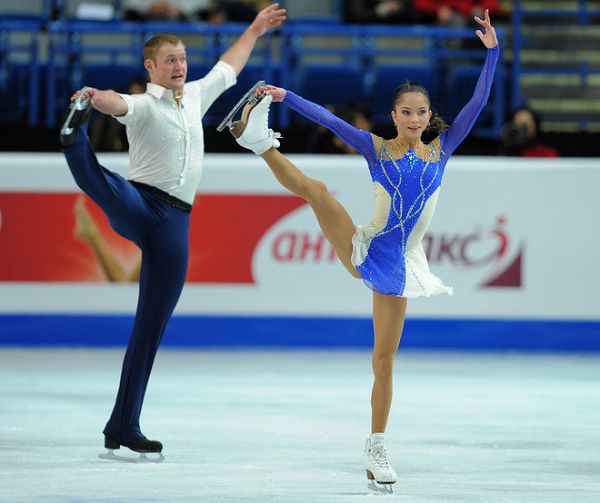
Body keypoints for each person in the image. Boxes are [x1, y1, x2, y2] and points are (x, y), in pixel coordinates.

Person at [227, 9, 498, 486]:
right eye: (406, 112)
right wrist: (286, 95)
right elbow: (329, 119)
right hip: (367, 246)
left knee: (384, 360)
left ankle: (376, 445)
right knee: (318, 190)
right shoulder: (376, 148)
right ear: (393, 117)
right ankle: (258, 142)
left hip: (400, 264)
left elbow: (477, 102)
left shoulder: (443, 148)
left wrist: (493, 52)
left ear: (428, 117)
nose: (414, 119)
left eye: (421, 112)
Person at [59, 3, 286, 456]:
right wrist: (91, 99)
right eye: (170, 60)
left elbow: (230, 66)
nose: (179, 66)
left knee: (150, 328)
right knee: (106, 184)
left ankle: (123, 425)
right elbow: (115, 101)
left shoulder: (198, 93)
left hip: (175, 223)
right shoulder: (143, 104)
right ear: (151, 67)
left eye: (182, 58)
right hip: (140, 203)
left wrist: (256, 29)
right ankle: (73, 139)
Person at [89, 76, 147, 152]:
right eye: (135, 87)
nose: (136, 90)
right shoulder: (123, 97)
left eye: (138, 88)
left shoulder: (147, 101)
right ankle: (96, 147)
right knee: (103, 120)